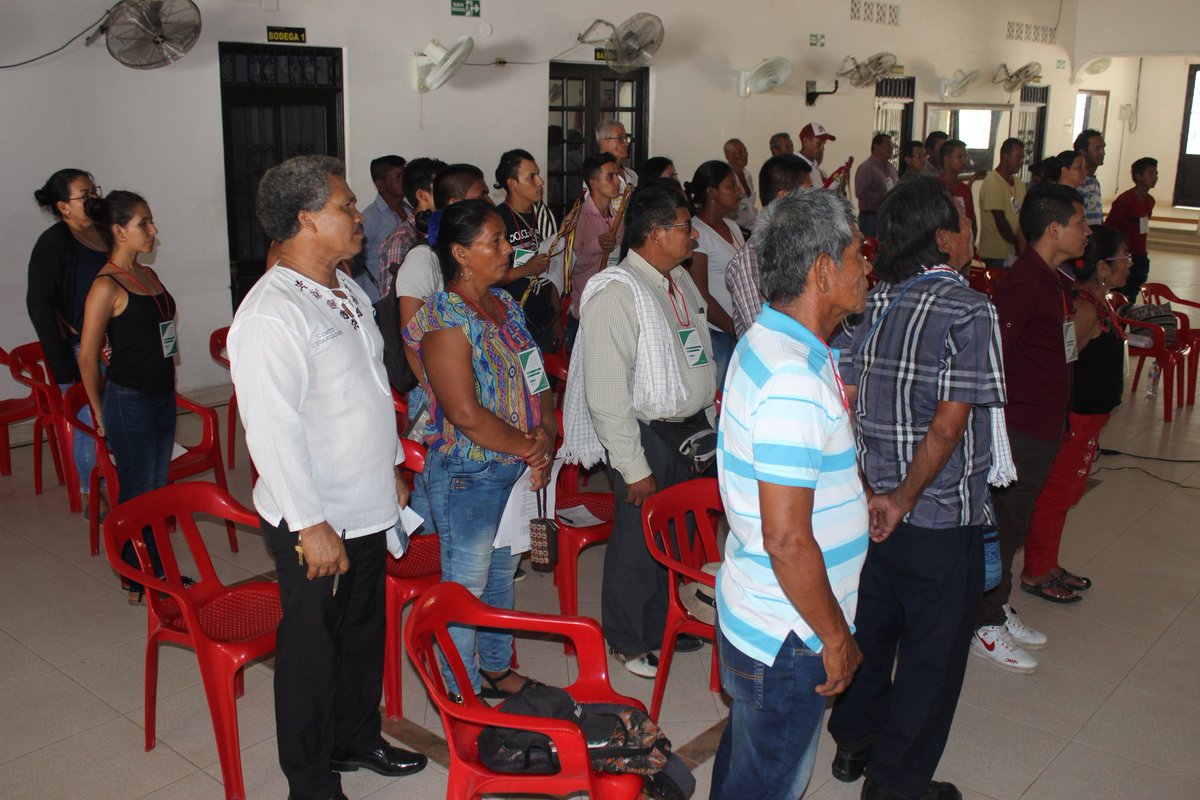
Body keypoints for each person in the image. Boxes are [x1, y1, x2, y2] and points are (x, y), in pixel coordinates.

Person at [228, 155, 427, 800]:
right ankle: (310, 784)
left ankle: (355, 737)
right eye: (345, 206)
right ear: (307, 220)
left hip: (366, 498)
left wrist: (392, 465)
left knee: (363, 631)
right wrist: (310, 524)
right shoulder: (270, 314)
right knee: (314, 650)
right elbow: (272, 430)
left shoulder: (345, 287)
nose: (357, 216)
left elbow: (367, 389)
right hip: (313, 513)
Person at [827, 177, 1007, 800]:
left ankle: (855, 741)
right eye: (961, 220)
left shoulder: (867, 305)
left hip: (869, 512)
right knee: (932, 659)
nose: (969, 230)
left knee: (872, 630)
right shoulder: (969, 309)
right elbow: (951, 423)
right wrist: (903, 497)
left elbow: (840, 408)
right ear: (942, 237)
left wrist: (872, 493)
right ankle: (897, 786)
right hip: (933, 515)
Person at [710, 189, 870, 800]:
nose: (865, 270)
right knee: (770, 783)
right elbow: (785, 536)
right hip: (791, 632)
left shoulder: (772, 340)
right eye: (857, 257)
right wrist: (834, 636)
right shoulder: (791, 377)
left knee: (749, 768)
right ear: (823, 270)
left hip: (766, 615)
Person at [559, 185, 717, 678]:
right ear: (653, 233)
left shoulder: (676, 281)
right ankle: (627, 642)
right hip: (646, 434)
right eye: (684, 228)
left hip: (687, 429)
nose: (692, 236)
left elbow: (695, 350)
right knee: (637, 542)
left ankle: (662, 623)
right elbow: (606, 393)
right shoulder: (617, 291)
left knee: (675, 536)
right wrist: (630, 466)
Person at [403, 199, 556, 700]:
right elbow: (464, 412)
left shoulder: (504, 304)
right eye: (495, 241)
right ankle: (458, 695)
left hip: (513, 465)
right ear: (461, 254)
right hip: (469, 472)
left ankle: (494, 667)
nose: (508, 248)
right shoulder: (445, 317)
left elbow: (537, 377)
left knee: (500, 578)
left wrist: (547, 431)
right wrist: (529, 449)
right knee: (465, 590)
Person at [972, 184, 1092, 674]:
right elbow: (994, 352)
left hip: (1044, 422)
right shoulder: (1025, 282)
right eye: (1081, 223)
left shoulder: (1054, 278)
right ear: (1054, 228)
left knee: (1014, 525)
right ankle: (983, 622)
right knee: (1006, 526)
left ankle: (995, 606)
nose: (1088, 231)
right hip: (1021, 425)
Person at [1021, 224, 1130, 603]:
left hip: (1090, 422)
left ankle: (1048, 563)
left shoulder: (1101, 304)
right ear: (1102, 268)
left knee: (1067, 494)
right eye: (1123, 258)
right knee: (1054, 496)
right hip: (1075, 421)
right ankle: (1036, 571)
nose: (1129, 265)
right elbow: (1062, 363)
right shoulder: (1084, 309)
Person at [77, 190, 176, 604]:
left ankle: (156, 572)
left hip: (161, 393)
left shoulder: (148, 277)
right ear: (119, 231)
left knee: (157, 487)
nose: (153, 231)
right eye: (143, 224)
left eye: (151, 221)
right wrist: (99, 410)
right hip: (129, 398)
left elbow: (163, 332)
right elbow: (87, 355)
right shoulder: (106, 285)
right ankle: (141, 576)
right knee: (138, 490)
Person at [26, 168, 105, 511]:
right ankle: (93, 496)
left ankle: (120, 480)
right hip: (77, 348)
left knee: (114, 415)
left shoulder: (106, 232)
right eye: (83, 196)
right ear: (63, 206)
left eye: (93, 191)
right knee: (88, 420)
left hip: (113, 344)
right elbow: (39, 305)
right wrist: (61, 365)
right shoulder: (54, 244)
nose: (92, 199)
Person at [726, 154, 813, 336]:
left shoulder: (803, 246)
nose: (814, 203)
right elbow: (764, 335)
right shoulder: (750, 261)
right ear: (783, 198)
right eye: (808, 194)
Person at [493, 149, 561, 353]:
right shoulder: (497, 220)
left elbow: (553, 269)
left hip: (545, 318)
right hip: (512, 323)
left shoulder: (543, 216)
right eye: (531, 177)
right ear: (512, 183)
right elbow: (490, 277)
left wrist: (557, 315)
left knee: (545, 382)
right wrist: (527, 269)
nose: (540, 181)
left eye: (538, 175)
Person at [685, 161, 744, 379]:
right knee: (715, 399)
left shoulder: (733, 227)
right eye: (731, 186)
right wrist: (735, 329)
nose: (739, 192)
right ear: (712, 192)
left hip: (737, 328)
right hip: (716, 332)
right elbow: (701, 295)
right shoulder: (698, 233)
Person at [566, 153, 626, 349]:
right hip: (585, 305)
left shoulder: (617, 217)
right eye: (610, 176)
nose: (617, 181)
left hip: (611, 304)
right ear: (593, 183)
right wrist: (597, 245)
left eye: (617, 176)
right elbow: (569, 268)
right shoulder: (578, 217)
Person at [354, 154, 406, 303]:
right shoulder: (369, 218)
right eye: (398, 176)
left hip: (402, 295)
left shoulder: (409, 212)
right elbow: (355, 264)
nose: (405, 180)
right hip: (378, 299)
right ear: (381, 185)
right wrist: (361, 300)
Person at [1106, 157, 1157, 302]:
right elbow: (1110, 225)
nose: (1155, 177)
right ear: (1138, 176)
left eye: (1156, 174)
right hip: (1125, 255)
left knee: (1132, 294)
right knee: (1120, 294)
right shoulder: (1125, 200)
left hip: (1140, 255)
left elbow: (1143, 227)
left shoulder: (1150, 201)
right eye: (1151, 173)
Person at [978, 137, 1028, 266]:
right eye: (1018, 157)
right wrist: (1017, 244)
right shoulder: (993, 182)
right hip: (996, 254)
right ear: (1005, 156)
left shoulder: (1018, 183)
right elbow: (1000, 220)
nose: (1021, 162)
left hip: (1015, 250)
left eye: (1022, 158)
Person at [854, 133, 899, 237]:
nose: (891, 148)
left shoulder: (891, 168)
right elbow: (861, 192)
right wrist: (882, 197)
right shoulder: (867, 167)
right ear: (875, 147)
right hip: (871, 217)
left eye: (891, 146)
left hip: (888, 216)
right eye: (887, 145)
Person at [938, 139, 976, 239]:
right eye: (959, 157)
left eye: (965, 157)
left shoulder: (965, 189)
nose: (964, 161)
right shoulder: (935, 187)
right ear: (946, 159)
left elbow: (972, 220)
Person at [596, 119, 639, 191]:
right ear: (604, 143)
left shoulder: (632, 174)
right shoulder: (596, 174)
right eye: (621, 138)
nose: (626, 143)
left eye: (626, 138)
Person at [724, 138, 758, 230]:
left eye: (745, 150)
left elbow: (749, 205)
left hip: (752, 226)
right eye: (740, 152)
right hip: (735, 228)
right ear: (728, 156)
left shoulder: (747, 175)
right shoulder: (725, 179)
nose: (745, 154)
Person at [1075, 128, 1106, 225]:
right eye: (1098, 148)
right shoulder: (1077, 182)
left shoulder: (1095, 182)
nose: (1103, 153)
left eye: (1103, 148)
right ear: (1083, 152)